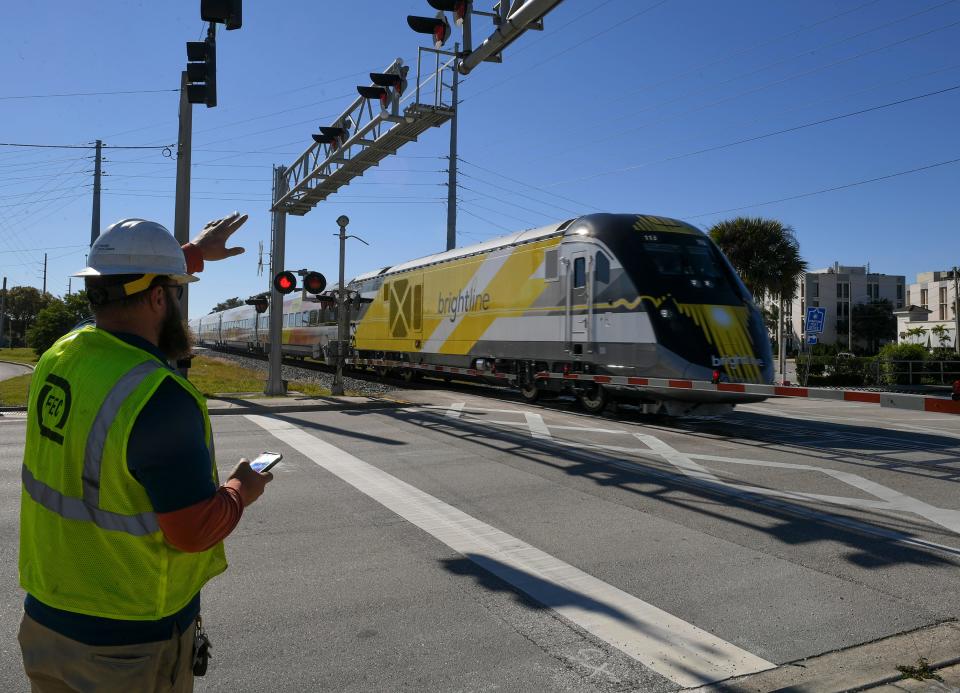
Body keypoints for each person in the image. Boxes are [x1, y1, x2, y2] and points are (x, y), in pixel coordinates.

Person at [18, 214, 273, 692]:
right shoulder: (158, 395)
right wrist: (243, 487)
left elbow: (120, 293)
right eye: (176, 291)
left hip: (47, 622)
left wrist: (190, 253)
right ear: (160, 297)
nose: (178, 302)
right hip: (128, 642)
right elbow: (192, 531)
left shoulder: (62, 353)